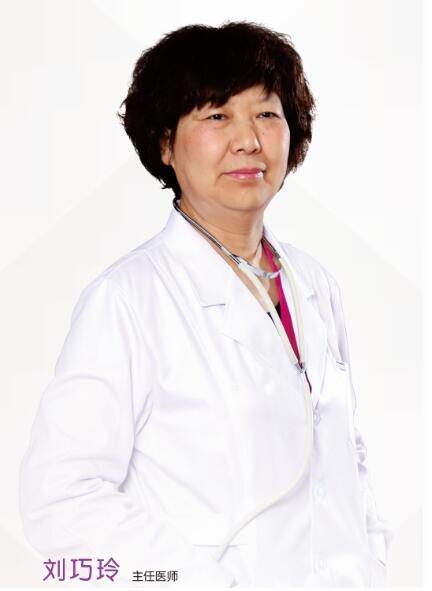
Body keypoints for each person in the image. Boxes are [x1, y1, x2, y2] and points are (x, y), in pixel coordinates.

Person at [19, 21, 393, 587]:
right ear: (165, 143)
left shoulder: (314, 284)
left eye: (266, 114)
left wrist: (373, 560)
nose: (248, 140)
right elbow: (61, 499)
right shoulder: (127, 300)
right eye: (217, 116)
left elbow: (344, 456)